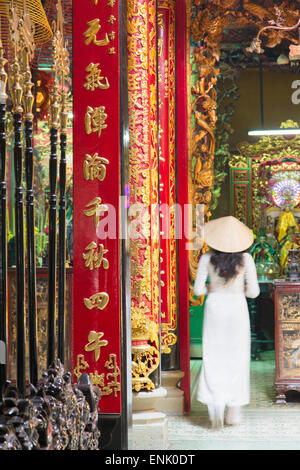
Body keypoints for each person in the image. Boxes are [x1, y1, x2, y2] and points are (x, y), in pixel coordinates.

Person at [194, 216, 260, 428]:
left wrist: (212, 288)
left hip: (215, 308)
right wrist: (237, 288)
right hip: (236, 309)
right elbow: (254, 292)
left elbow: (197, 290)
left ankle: (216, 402)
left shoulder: (206, 258)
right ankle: (233, 411)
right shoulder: (246, 259)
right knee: (237, 357)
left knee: (213, 355)